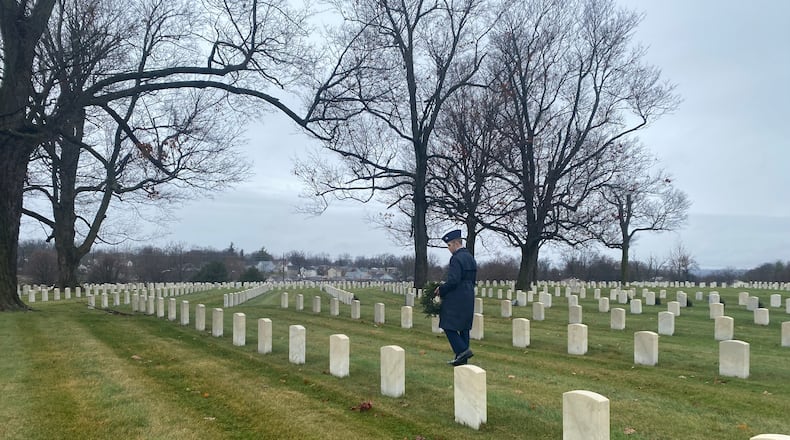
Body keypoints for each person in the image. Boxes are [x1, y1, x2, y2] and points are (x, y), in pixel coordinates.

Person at [434, 229, 477, 366]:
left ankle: (463, 350)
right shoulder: (470, 257)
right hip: (469, 293)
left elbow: (453, 280)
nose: (449, 249)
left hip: (456, 295)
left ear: (455, 243)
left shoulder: (456, 258)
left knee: (448, 324)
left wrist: (441, 289)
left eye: (449, 246)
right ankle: (461, 359)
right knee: (464, 326)